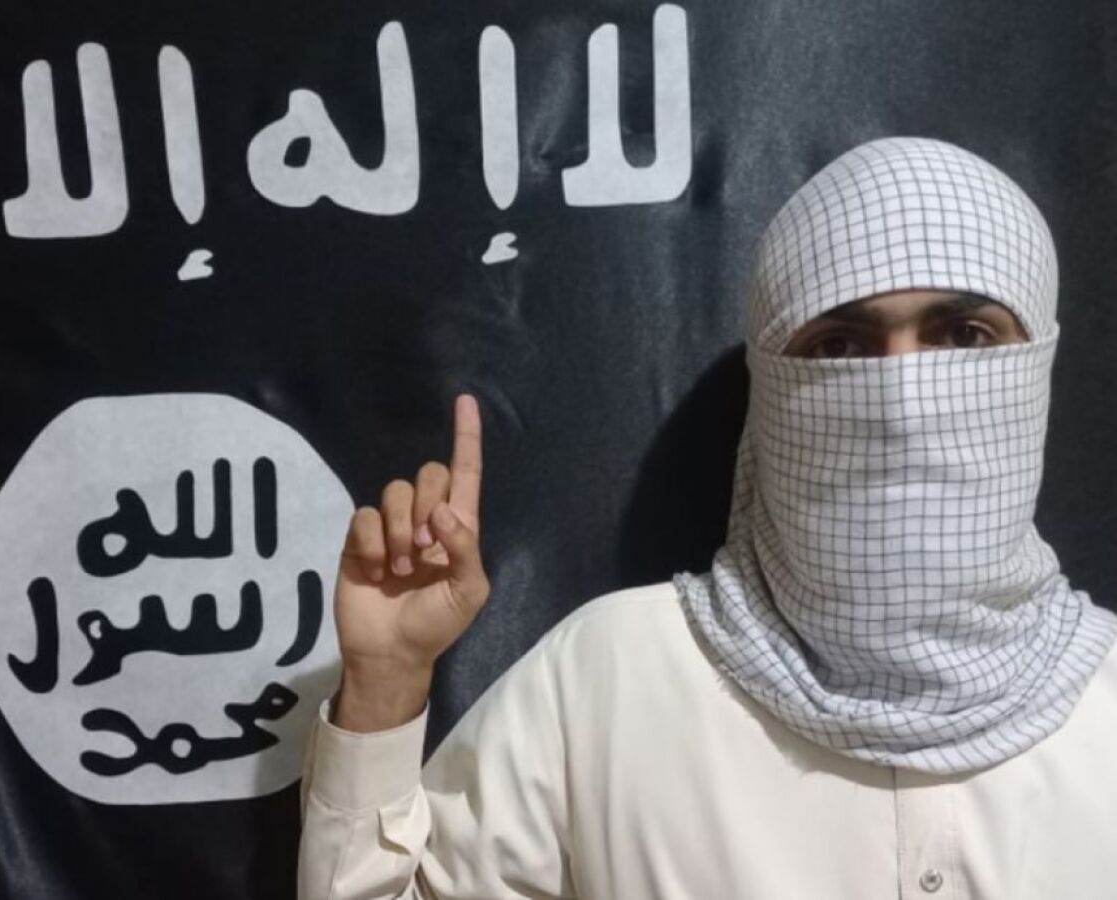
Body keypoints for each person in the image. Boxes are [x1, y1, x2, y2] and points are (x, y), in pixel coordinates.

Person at [297, 136, 1117, 899]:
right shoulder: (608, 681)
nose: (900, 400)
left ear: (1034, 365)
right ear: (774, 388)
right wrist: (385, 683)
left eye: (963, 336)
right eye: (838, 347)